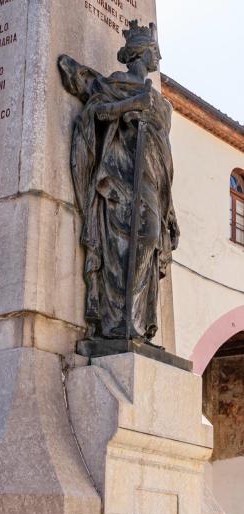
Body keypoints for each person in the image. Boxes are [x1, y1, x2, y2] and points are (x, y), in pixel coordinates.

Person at [58, 21, 179, 343]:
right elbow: (97, 112)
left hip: (153, 177)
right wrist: (126, 108)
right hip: (123, 171)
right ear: (141, 53)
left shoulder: (162, 104)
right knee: (125, 242)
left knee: (150, 240)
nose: (158, 57)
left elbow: (164, 153)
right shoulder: (118, 83)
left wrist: (171, 211)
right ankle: (117, 320)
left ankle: (135, 319)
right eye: (154, 50)